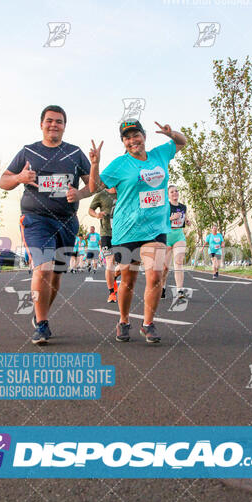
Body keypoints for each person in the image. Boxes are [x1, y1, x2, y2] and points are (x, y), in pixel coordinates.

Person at [89, 118, 186, 344]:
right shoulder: (119, 165)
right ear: (123, 142)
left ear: (144, 136)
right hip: (126, 231)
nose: (133, 140)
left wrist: (172, 134)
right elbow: (94, 187)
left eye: (136, 135)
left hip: (155, 228)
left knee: (155, 275)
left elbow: (183, 143)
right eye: (127, 138)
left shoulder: (160, 154)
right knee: (129, 280)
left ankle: (148, 324)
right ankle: (123, 320)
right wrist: (95, 164)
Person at [0, 105, 91, 344]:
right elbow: (3, 181)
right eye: (49, 121)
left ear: (64, 126)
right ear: (41, 124)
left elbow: (94, 184)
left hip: (67, 221)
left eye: (59, 121)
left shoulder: (75, 153)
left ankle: (42, 315)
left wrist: (79, 195)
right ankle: (41, 324)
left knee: (57, 275)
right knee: (44, 268)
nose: (54, 125)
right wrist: (20, 178)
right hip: (35, 218)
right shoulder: (28, 151)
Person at [89, 187, 120, 303]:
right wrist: (97, 215)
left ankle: (114, 276)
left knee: (126, 263)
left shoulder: (124, 191)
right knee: (110, 261)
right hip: (107, 232)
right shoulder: (101, 195)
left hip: (123, 232)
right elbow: (90, 210)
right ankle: (111, 293)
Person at [161, 185, 190, 305]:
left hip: (179, 236)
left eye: (176, 191)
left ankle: (180, 291)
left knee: (178, 262)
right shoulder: (165, 206)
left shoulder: (183, 207)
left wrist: (187, 221)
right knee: (165, 267)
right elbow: (160, 222)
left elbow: (184, 218)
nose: (175, 193)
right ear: (168, 195)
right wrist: (171, 218)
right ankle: (162, 287)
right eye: (172, 192)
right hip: (167, 236)